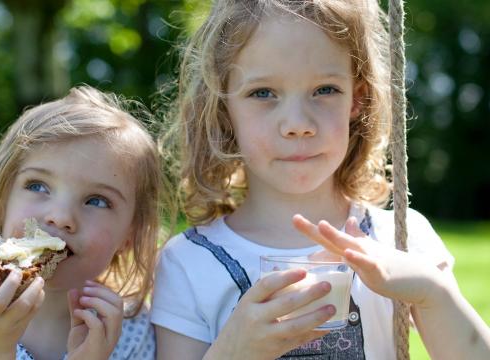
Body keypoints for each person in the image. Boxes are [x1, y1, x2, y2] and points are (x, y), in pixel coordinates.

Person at [151, 1, 490, 359]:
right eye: (263, 93)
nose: (298, 123)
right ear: (223, 109)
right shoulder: (189, 263)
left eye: (324, 89)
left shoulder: (401, 239)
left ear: (357, 100)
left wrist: (433, 292)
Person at [0, 86, 161, 360]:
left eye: (97, 201)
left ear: (129, 235)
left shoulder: (128, 332)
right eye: (38, 185)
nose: (61, 216)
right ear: (2, 198)